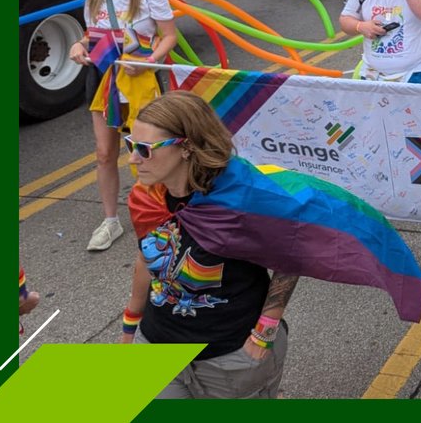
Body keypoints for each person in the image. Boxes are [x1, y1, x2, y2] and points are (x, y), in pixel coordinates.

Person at [120, 92, 297, 398]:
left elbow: (292, 254)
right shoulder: (146, 198)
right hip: (155, 343)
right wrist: (130, 326)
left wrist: (264, 331)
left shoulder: (244, 197)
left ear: (186, 147)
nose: (133, 159)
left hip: (229, 357)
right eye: (130, 145)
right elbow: (145, 257)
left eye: (145, 150)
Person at [68, 0, 177, 251]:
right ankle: (111, 221)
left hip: (140, 80)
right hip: (103, 79)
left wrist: (149, 62)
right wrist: (79, 44)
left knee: (147, 151)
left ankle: (160, 214)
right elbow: (92, 36)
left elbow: (168, 36)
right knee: (104, 153)